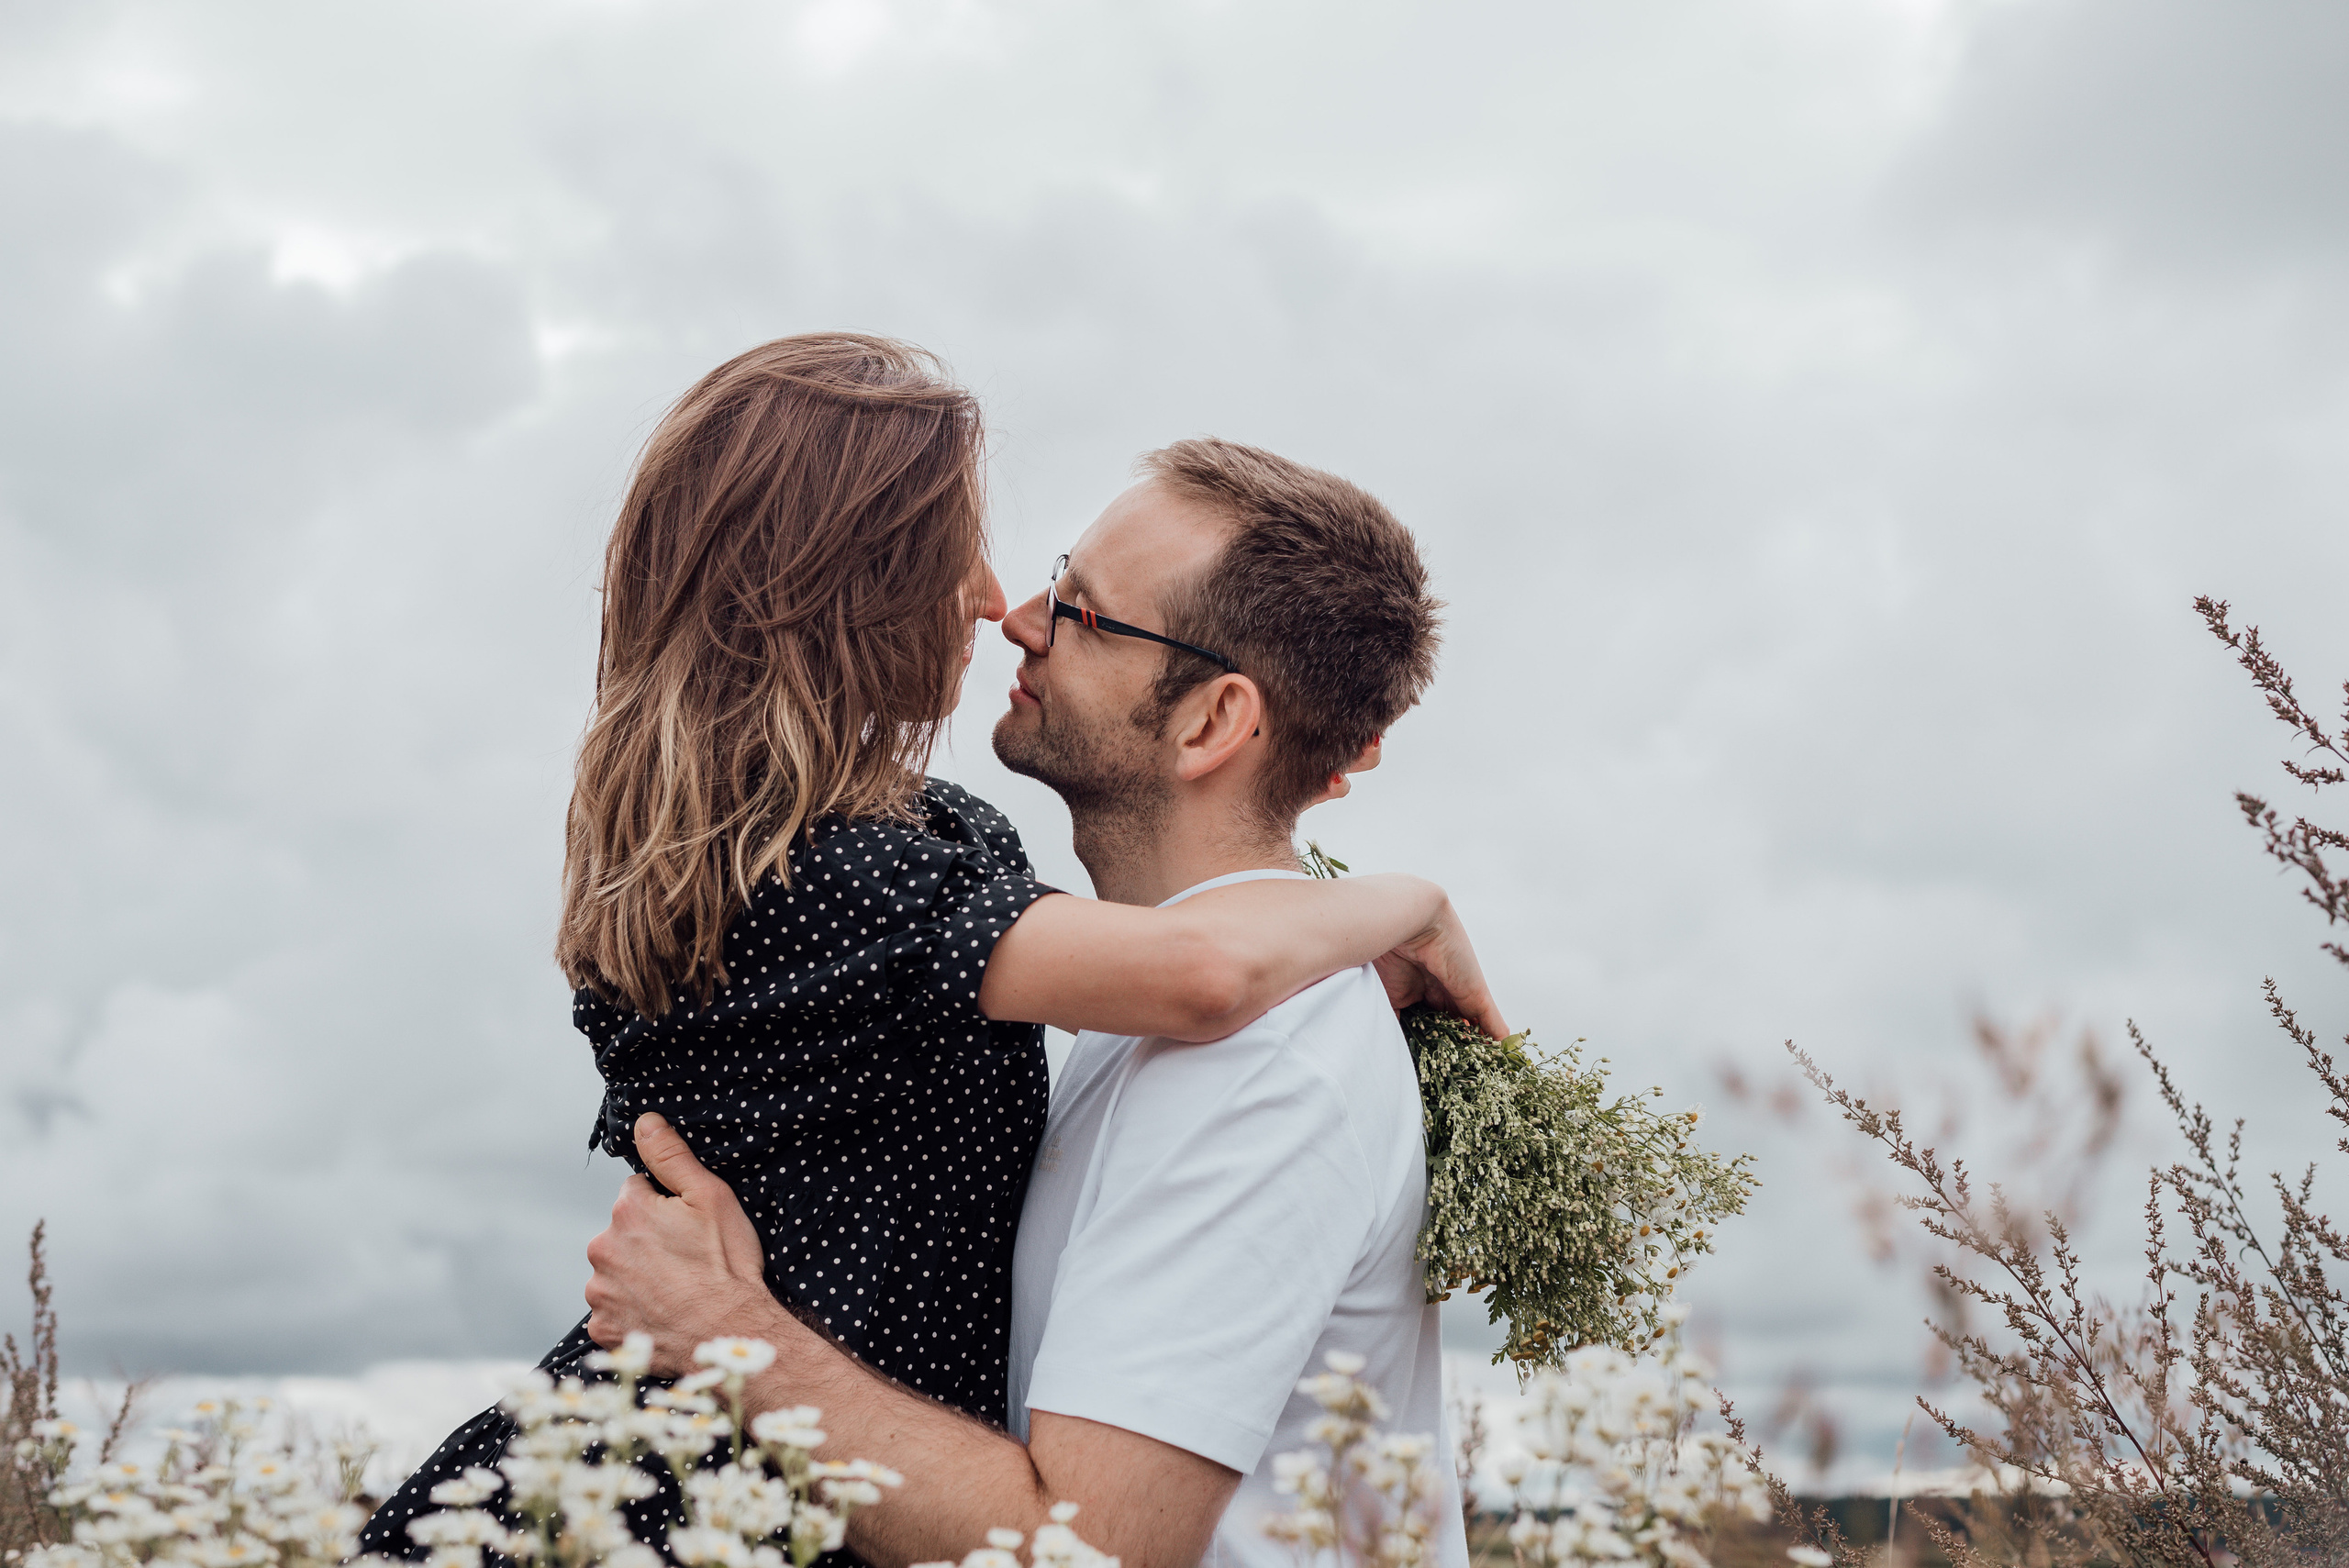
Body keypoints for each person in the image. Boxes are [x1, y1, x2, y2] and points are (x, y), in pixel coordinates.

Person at [361, 339, 1497, 1559]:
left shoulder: (1266, 1042)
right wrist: (1410, 903)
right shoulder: (886, 887)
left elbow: (1084, 1548)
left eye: (1081, 609)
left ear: (1217, 718)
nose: (1008, 609)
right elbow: (1200, 968)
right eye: (1035, 577)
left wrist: (725, 1329)